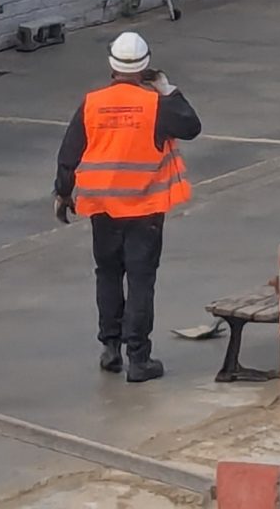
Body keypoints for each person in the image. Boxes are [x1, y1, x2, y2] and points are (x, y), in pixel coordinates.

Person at [54, 31, 201, 383]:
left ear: (111, 64)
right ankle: (139, 360)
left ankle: (110, 350)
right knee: (140, 280)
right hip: (144, 209)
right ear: (146, 66)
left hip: (103, 208)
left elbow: (69, 154)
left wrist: (63, 194)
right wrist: (168, 89)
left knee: (107, 274)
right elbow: (192, 126)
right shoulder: (157, 106)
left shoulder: (92, 103)